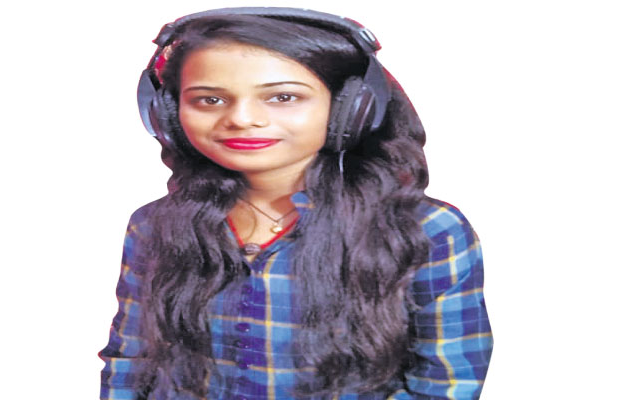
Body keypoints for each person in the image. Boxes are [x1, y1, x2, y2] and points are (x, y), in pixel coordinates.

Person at [99, 7, 492, 400]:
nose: (242, 119)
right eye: (210, 99)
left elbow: (446, 386)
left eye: (283, 97)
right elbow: (129, 361)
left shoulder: (427, 230)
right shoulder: (152, 225)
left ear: (351, 109)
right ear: (167, 115)